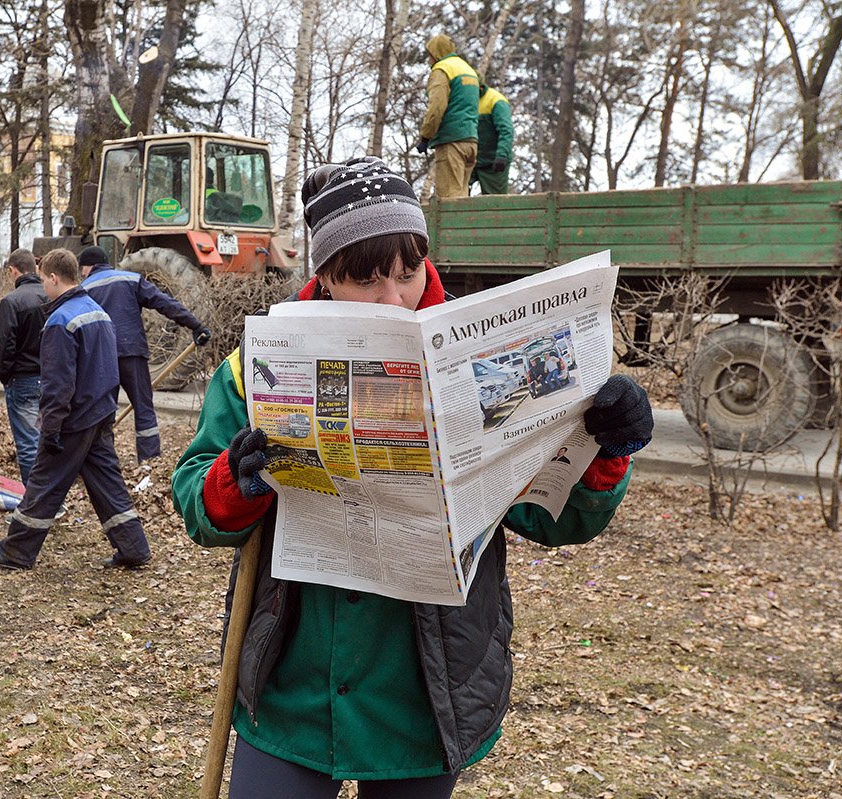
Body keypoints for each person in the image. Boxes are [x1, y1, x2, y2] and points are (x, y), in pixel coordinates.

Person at [170, 157, 653, 798]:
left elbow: (550, 517)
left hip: (426, 692)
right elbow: (198, 499)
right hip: (291, 684)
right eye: (368, 280)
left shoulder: (479, 357)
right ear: (325, 275)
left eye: (406, 272)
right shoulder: (255, 366)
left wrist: (605, 450)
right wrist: (239, 477)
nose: (394, 298)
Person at [0, 249, 152, 571]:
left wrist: (51, 428)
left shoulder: (60, 321)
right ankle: (134, 548)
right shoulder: (98, 312)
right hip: (100, 415)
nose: (43, 287)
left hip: (73, 419)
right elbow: (108, 370)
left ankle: (16, 552)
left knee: (44, 483)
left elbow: (58, 384)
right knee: (108, 484)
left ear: (53, 278)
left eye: (44, 280)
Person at [79, 245, 211, 462]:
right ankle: (149, 461)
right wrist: (195, 325)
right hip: (132, 352)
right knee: (143, 408)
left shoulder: (84, 288)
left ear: (89, 267)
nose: (82, 273)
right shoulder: (131, 279)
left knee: (103, 413)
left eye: (82, 269)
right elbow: (165, 303)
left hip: (102, 359)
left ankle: (105, 462)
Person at [0, 248, 49, 483]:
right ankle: (51, 498)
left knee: (28, 444)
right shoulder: (52, 295)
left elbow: (4, 347)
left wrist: (3, 375)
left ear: (13, 270)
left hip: (23, 380)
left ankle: (35, 502)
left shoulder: (12, 301)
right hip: (51, 379)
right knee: (47, 440)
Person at [415, 33, 480, 199]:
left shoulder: (442, 69)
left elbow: (436, 107)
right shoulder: (468, 70)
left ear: (435, 53)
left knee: (449, 198)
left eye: (430, 55)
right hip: (470, 141)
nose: (429, 60)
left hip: (452, 141)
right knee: (462, 195)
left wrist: (425, 136)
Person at [470, 78, 514, 195]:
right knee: (456, 196)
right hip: (471, 161)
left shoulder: (496, 101)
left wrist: (501, 156)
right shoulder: (465, 99)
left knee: (495, 203)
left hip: (493, 162)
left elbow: (506, 130)